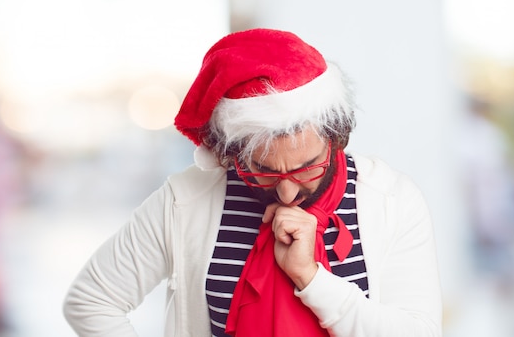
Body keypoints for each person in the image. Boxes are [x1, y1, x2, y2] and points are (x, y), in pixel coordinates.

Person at [63, 28, 442, 336]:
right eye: (264, 171)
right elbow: (92, 300)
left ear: (336, 138)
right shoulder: (186, 202)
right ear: (232, 155)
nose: (287, 193)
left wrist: (310, 278)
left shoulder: (391, 199)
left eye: (306, 167)